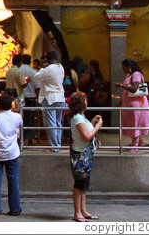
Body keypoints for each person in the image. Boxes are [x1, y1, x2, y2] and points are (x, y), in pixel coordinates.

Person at [0, 93, 23, 217]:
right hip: (12, 153)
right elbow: (18, 131)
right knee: (13, 180)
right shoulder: (17, 117)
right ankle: (15, 209)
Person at [68, 92, 103, 222]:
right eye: (85, 100)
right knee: (79, 184)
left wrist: (93, 122)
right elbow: (86, 136)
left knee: (84, 184)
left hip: (85, 153)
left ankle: (83, 210)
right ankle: (77, 213)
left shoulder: (81, 116)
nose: (87, 101)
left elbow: (86, 132)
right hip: (81, 154)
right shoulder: (77, 117)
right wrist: (97, 127)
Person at [113, 59, 149, 150]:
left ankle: (135, 145)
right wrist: (120, 103)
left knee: (135, 124)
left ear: (129, 67)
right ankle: (138, 142)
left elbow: (134, 88)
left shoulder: (136, 74)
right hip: (130, 104)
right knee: (132, 123)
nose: (123, 69)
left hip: (136, 104)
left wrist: (121, 85)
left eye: (124, 67)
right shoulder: (129, 75)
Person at [34, 50, 66, 150]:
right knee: (58, 122)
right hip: (60, 97)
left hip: (50, 97)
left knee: (51, 123)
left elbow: (35, 78)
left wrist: (43, 68)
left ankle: (54, 146)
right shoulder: (61, 68)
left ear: (48, 59)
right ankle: (58, 144)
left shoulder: (48, 69)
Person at [19, 54, 38, 144]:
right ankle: (30, 139)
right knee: (30, 119)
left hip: (20, 98)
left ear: (22, 60)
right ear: (30, 61)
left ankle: (21, 139)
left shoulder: (18, 71)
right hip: (31, 98)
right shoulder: (33, 72)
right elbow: (37, 87)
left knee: (21, 118)